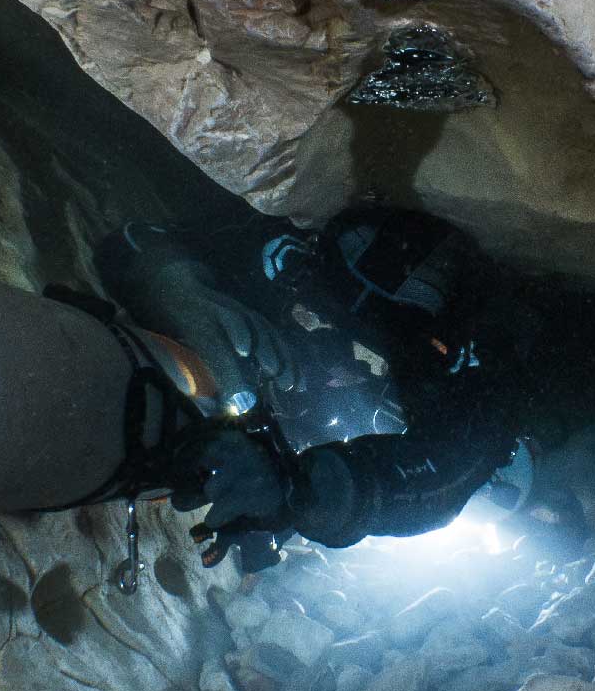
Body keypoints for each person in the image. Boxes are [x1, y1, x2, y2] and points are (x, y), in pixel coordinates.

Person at [95, 205, 527, 564]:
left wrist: (305, 494)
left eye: (388, 316)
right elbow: (138, 239)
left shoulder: (449, 369)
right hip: (256, 381)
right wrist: (177, 290)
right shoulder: (283, 257)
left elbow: (456, 462)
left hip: (304, 433)